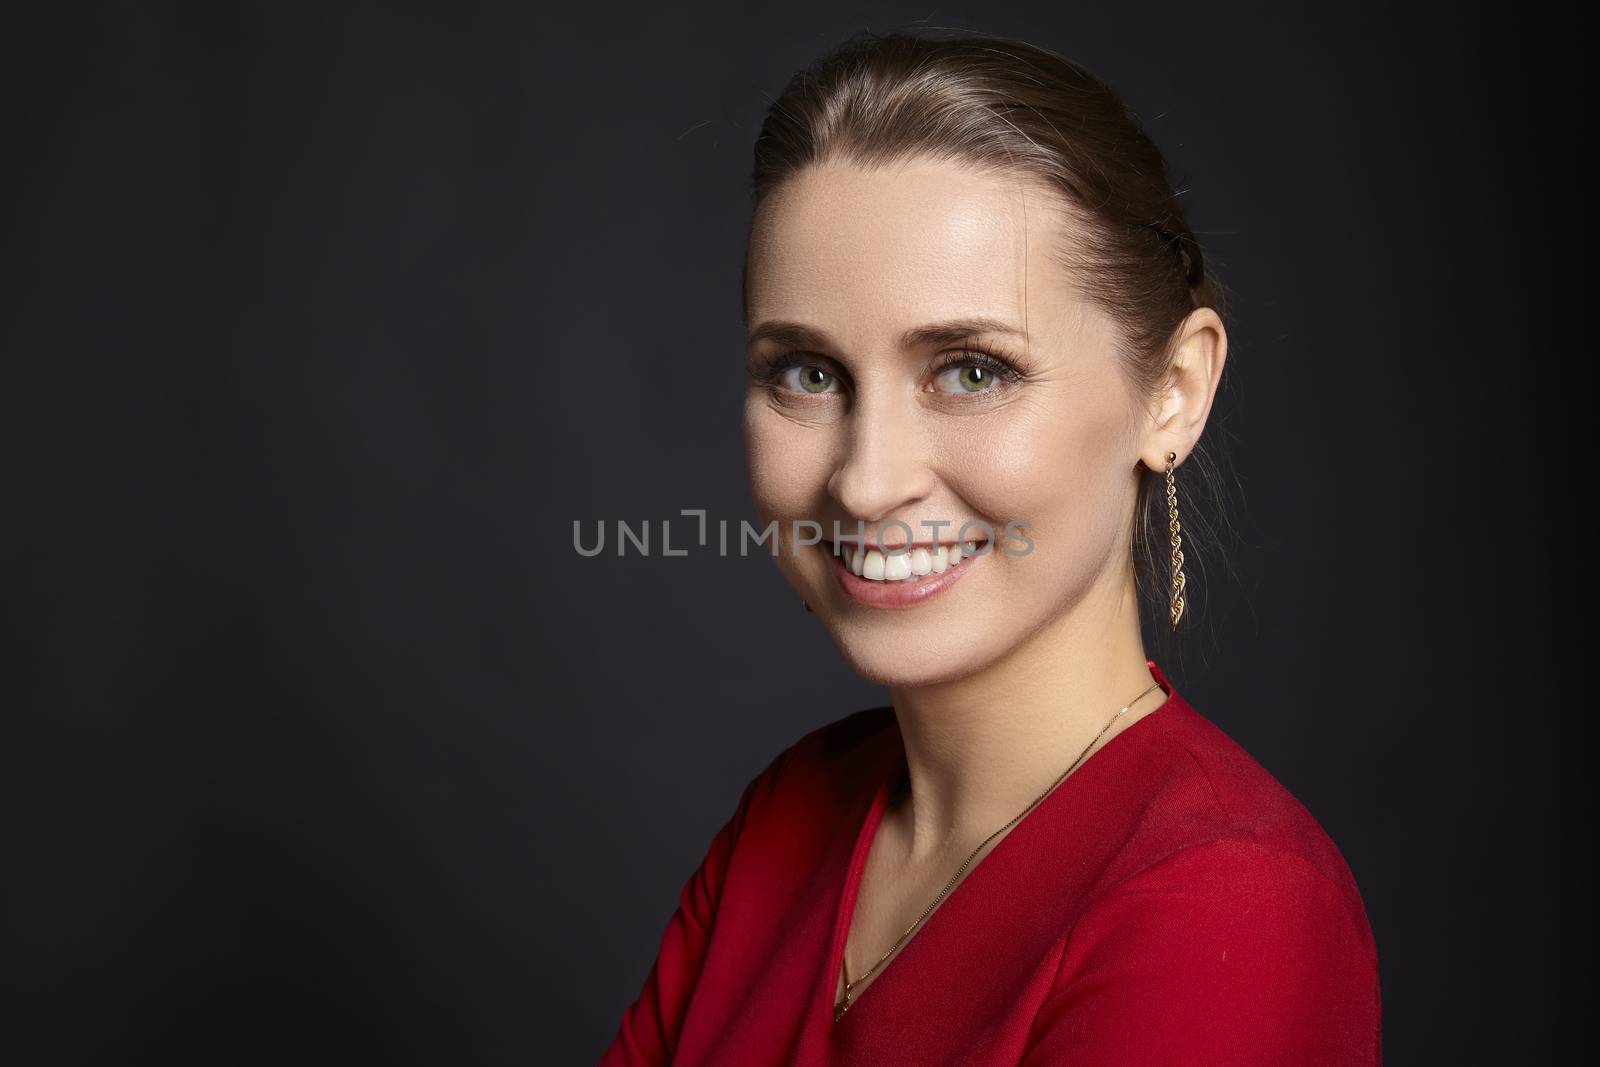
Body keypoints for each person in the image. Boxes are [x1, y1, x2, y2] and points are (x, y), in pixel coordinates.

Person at [600, 28, 1380, 1066]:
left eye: (971, 370)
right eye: (808, 373)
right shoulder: (789, 816)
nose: (867, 481)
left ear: (1173, 392)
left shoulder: (1228, 901)